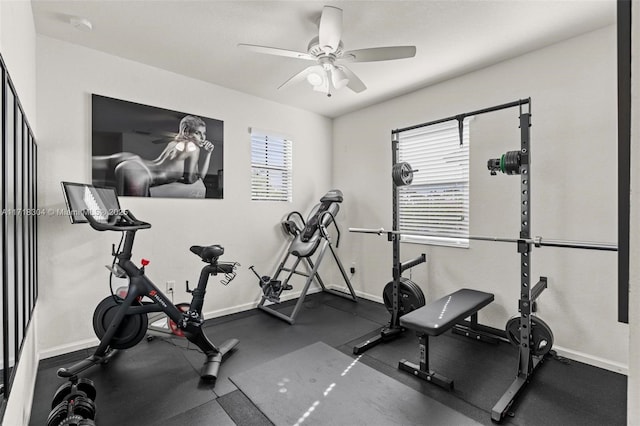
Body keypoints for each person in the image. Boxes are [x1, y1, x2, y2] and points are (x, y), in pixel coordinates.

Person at [93, 115, 214, 197]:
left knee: (88, 164)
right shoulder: (194, 149)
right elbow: (194, 179)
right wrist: (208, 153)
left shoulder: (173, 143)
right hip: (142, 173)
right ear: (187, 131)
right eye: (198, 133)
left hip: (135, 160)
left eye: (204, 134)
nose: (203, 138)